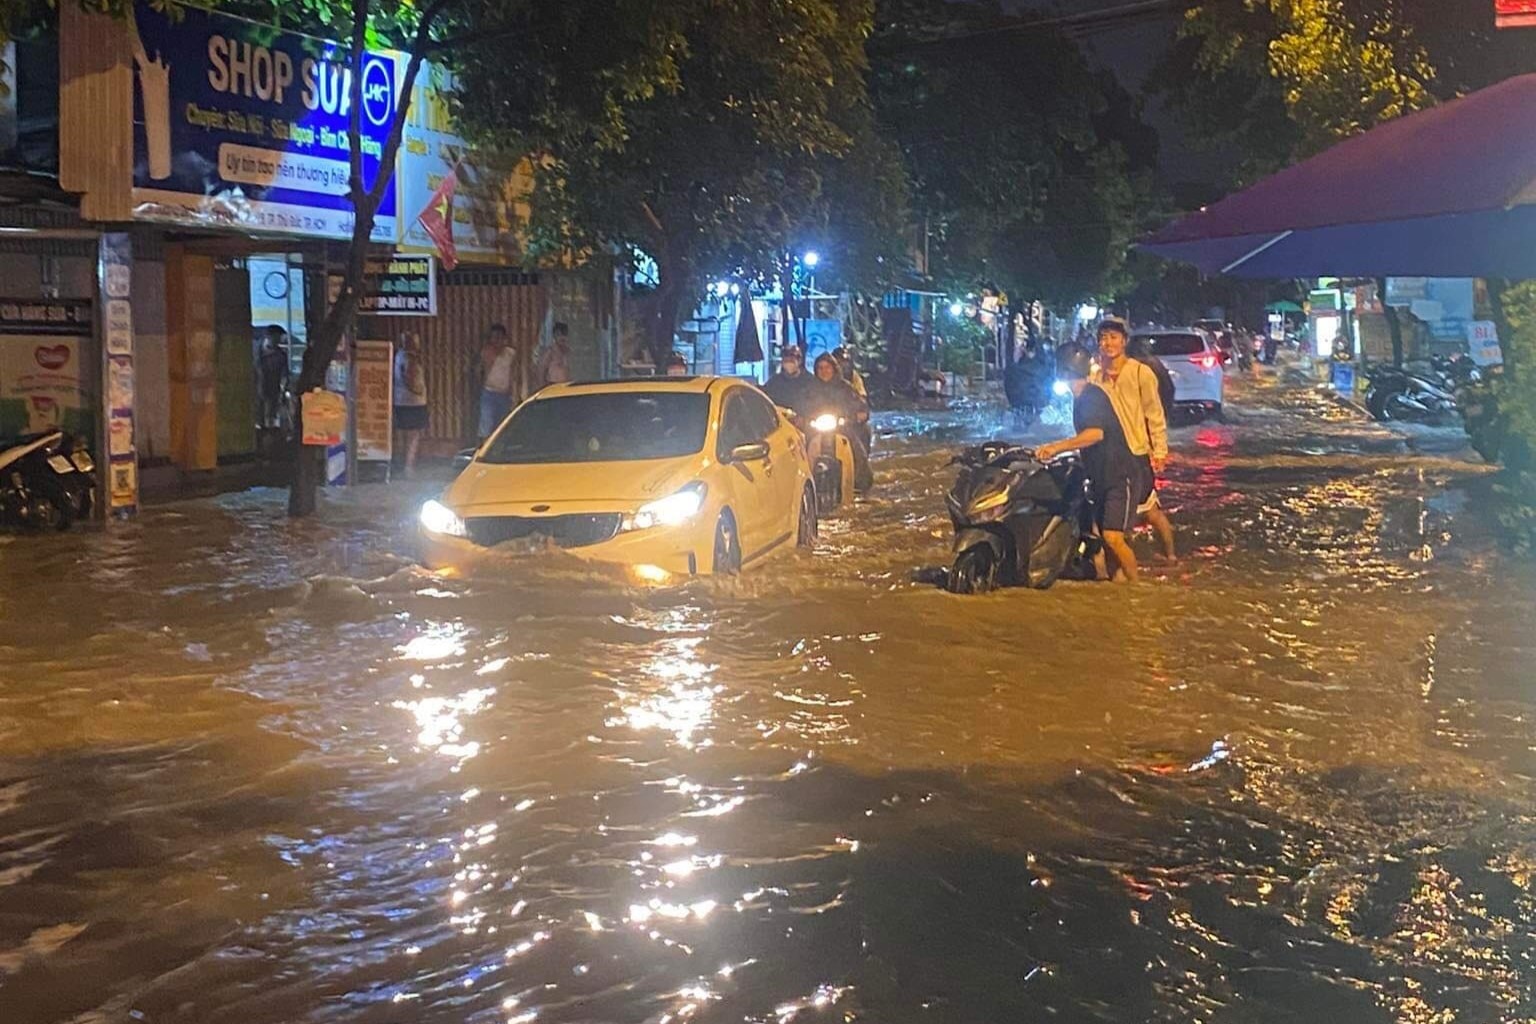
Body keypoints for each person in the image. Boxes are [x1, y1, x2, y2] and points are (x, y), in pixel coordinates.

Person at [1036, 344, 1148, 583]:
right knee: (1101, 540)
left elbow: (1095, 434)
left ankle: (1138, 588)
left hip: (1120, 477)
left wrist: (1057, 446)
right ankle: (1119, 589)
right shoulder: (1083, 397)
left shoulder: (1091, 397)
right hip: (1101, 477)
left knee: (1113, 537)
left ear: (1064, 371)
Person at [1094, 318, 1177, 563]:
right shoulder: (1095, 377)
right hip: (1108, 456)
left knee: (1150, 512)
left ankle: (1170, 555)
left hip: (1136, 455)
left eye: (1113, 337)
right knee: (1114, 514)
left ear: (1124, 341)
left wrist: (1160, 451)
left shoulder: (1141, 373)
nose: (1108, 343)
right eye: (1103, 338)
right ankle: (1119, 567)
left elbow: (1155, 414)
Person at [809, 351, 873, 492]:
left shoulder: (845, 388)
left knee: (855, 448)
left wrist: (857, 416)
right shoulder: (809, 389)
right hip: (815, 429)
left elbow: (861, 406)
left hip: (843, 429)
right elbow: (802, 407)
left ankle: (860, 482)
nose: (824, 371)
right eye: (820, 368)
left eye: (827, 367)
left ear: (834, 369)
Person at [393, 331, 428, 477]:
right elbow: (410, 376)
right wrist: (417, 390)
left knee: (403, 434)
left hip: (400, 401)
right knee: (414, 435)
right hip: (414, 402)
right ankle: (408, 466)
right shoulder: (410, 358)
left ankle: (402, 464)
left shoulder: (398, 356)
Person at [479, 323, 515, 441]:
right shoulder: (486, 352)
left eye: (499, 337)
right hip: (489, 393)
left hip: (505, 394)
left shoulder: (511, 353)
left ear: (504, 339)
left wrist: (514, 392)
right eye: (493, 337)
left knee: (503, 425)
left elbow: (514, 373)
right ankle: (483, 449)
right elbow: (480, 370)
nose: (496, 341)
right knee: (486, 425)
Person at [762, 345, 817, 413]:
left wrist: (805, 417)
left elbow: (816, 404)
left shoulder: (810, 381)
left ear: (799, 361)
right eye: (786, 360)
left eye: (791, 360)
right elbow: (765, 398)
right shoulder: (774, 381)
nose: (789, 363)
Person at [256, 326, 289, 429]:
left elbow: (284, 375)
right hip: (254, 391)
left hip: (272, 392)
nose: (278, 341)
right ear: (268, 337)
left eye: (279, 338)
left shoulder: (281, 356)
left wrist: (283, 390)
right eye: (276, 338)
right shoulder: (255, 350)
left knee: (270, 417)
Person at [536, 321, 573, 387]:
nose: (562, 337)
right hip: (552, 385)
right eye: (559, 335)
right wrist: (542, 388)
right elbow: (540, 370)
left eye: (564, 334)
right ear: (555, 336)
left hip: (566, 386)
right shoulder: (550, 352)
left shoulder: (567, 352)